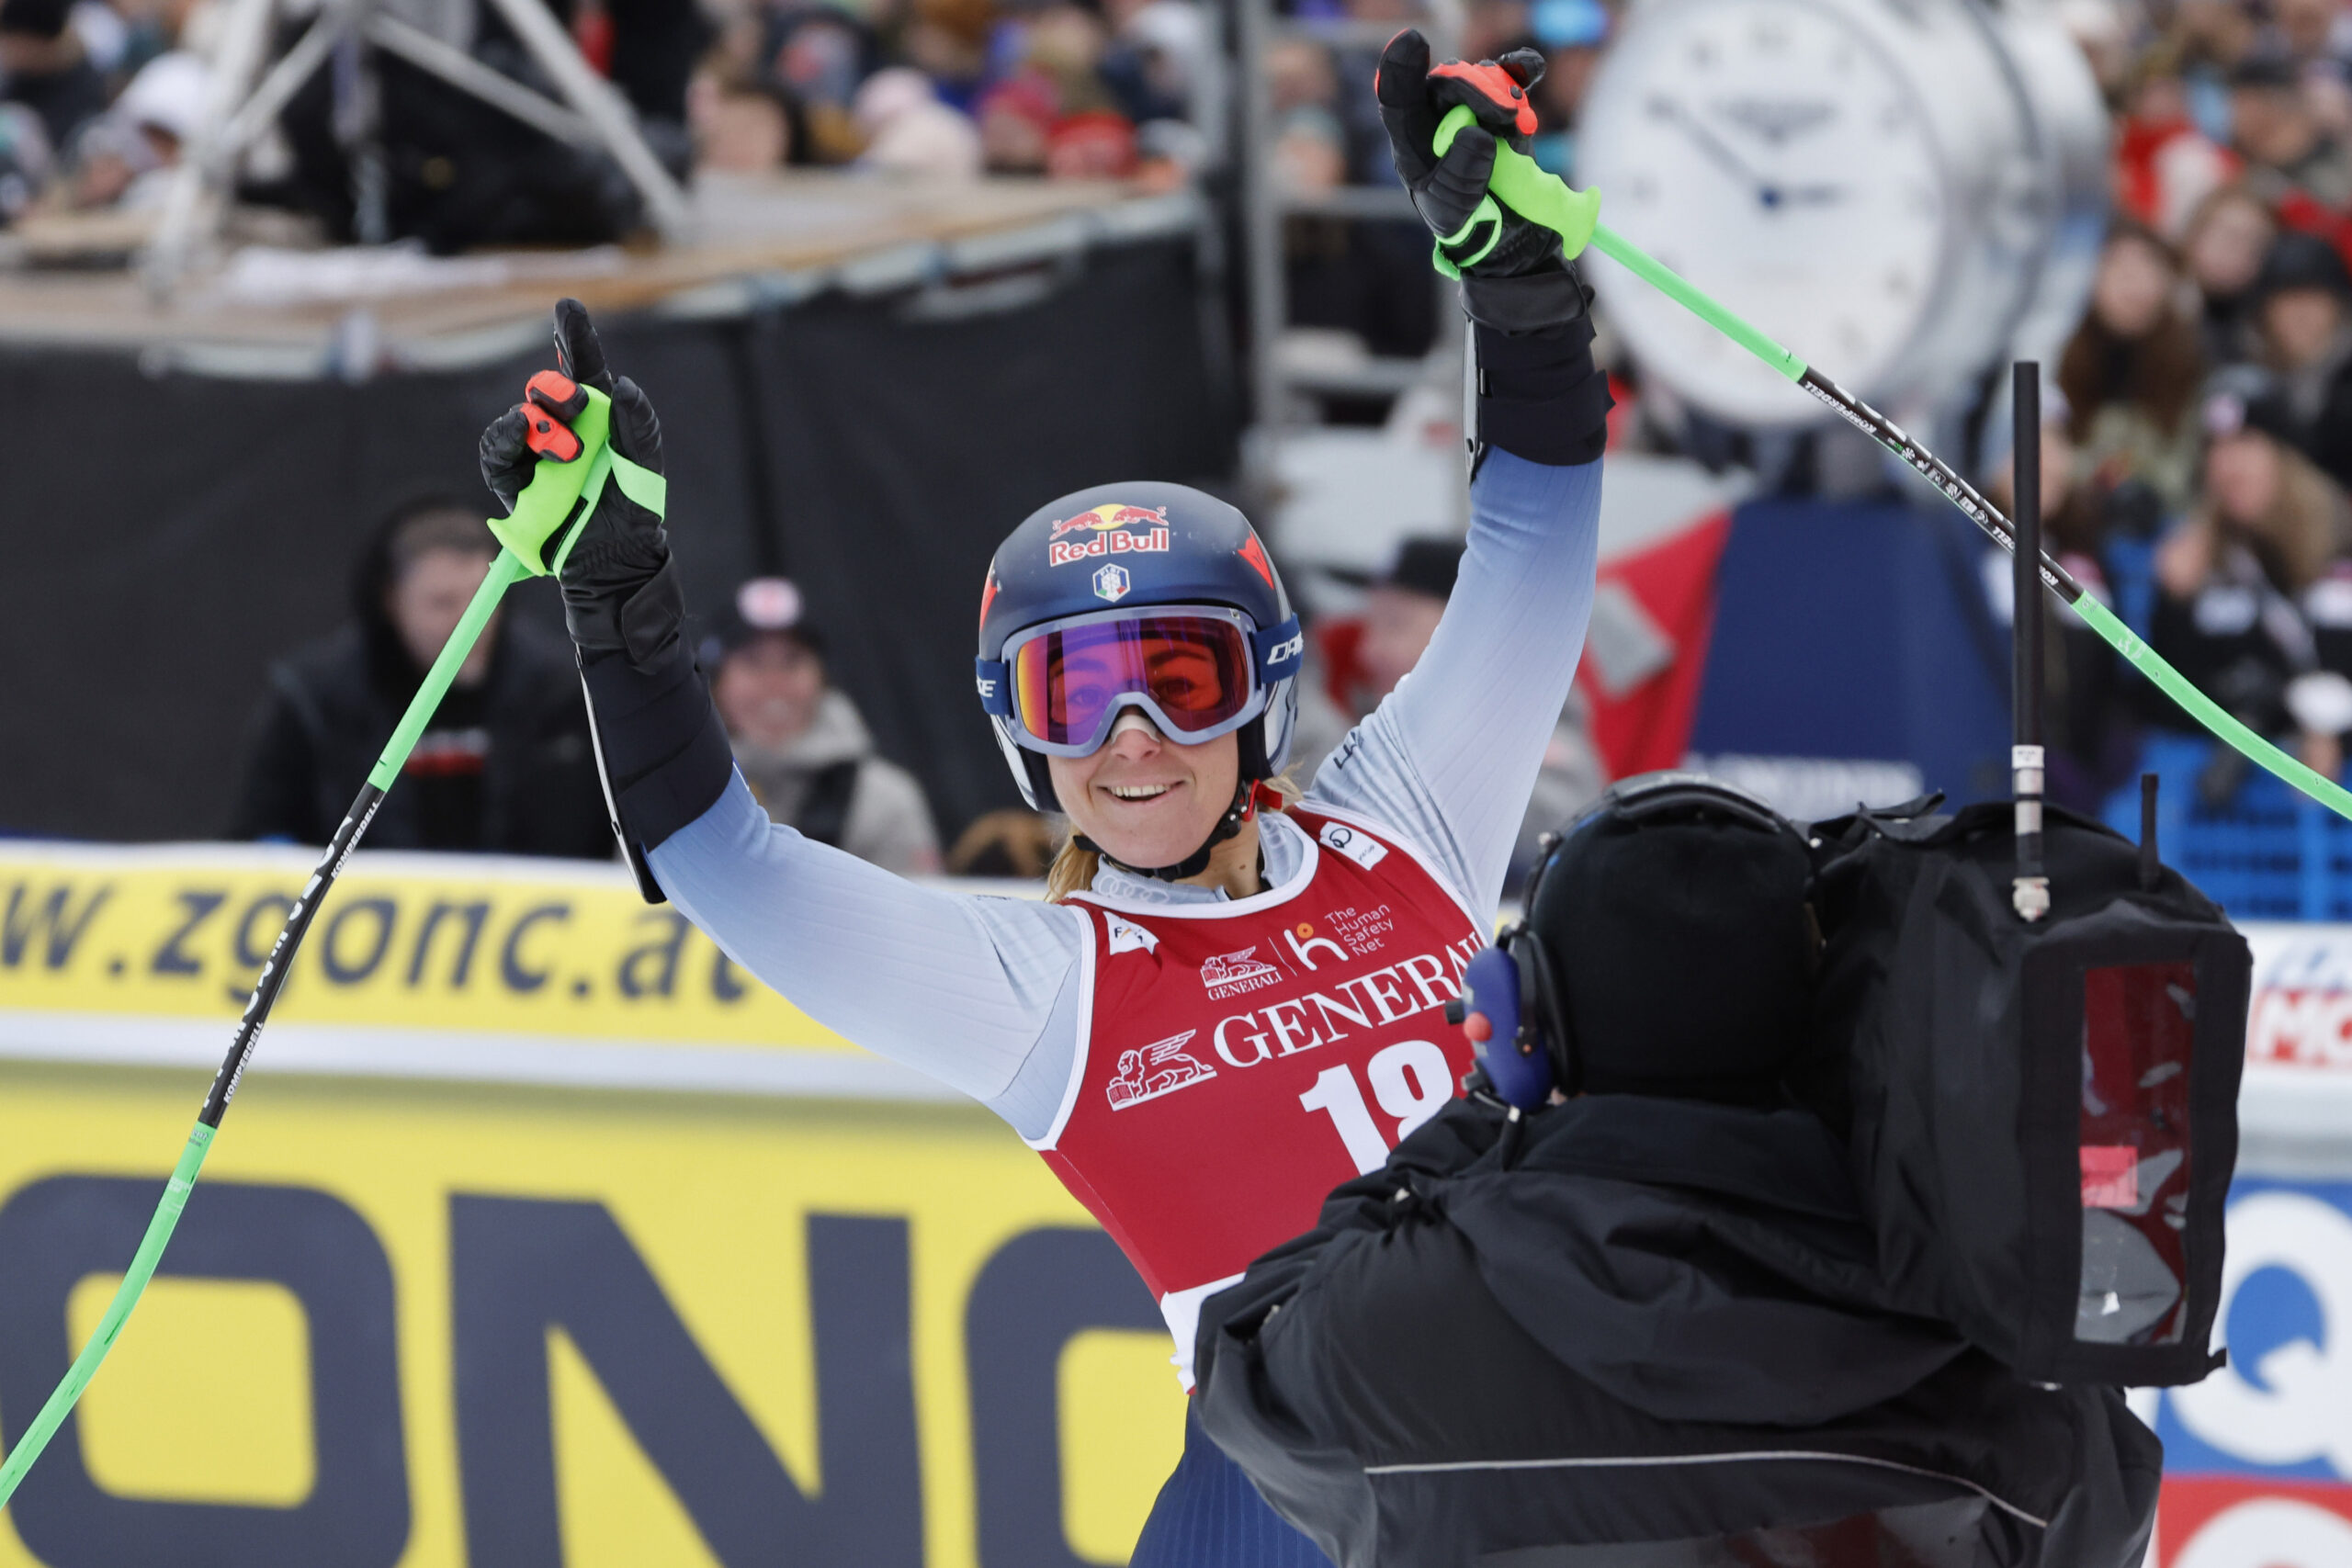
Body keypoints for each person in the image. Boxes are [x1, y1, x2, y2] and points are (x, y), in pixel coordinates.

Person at [473, 28, 1609, 1558]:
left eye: (1181, 678)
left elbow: (1534, 545)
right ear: (1024, 735)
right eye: (1074, 697)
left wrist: (1521, 296)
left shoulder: (1402, 831)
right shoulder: (1046, 991)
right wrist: (620, 606)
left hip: (1561, 1455)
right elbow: (723, 863)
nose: (1131, 738)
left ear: (1264, 690)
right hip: (1299, 1505)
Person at [1192, 777, 2164, 1568]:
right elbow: (2103, 1504)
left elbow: (1240, 1352)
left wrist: (1482, 1112)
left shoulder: (1386, 1329)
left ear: (1529, 1021)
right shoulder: (1995, 1367)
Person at [227, 498, 616, 859]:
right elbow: (257, 845)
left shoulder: (563, 693)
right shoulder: (314, 699)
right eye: (443, 603)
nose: (471, 622)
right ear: (391, 601)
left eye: (484, 598)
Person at [1293, 536, 1607, 889]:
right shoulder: (1372, 725)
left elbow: (1561, 830)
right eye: (1370, 626)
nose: (1369, 650)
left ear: (1474, 631)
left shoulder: (1533, 731)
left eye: (1396, 625)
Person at [702, 576, 942, 876]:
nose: (774, 684)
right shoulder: (679, 788)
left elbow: (915, 904)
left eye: (792, 662)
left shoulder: (884, 800)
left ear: (822, 678)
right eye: (753, 662)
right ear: (717, 681)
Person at [2252, 228, 2352, 491]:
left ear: (2338, 306)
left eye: (2313, 298)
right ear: (2264, 312)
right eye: (2287, 300)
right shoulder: (2250, 380)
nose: (2301, 314)